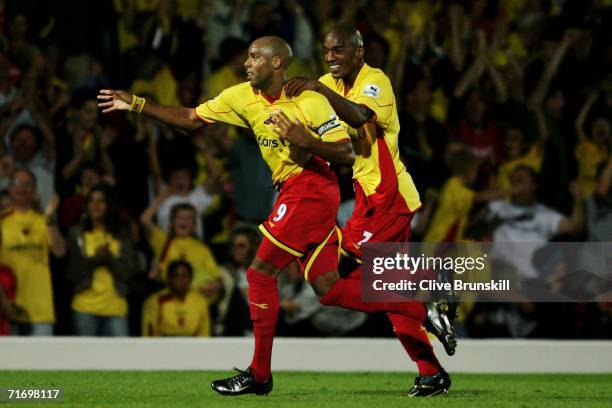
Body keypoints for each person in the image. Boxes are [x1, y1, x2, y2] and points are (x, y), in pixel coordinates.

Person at [99, 36, 438, 397]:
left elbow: (348, 152)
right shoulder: (240, 96)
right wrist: (135, 103)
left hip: (311, 187)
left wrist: (301, 139)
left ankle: (259, 375)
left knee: (258, 273)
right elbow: (189, 118)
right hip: (295, 191)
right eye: (247, 56)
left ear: (277, 63)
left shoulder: (310, 100)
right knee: (328, 289)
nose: (247, 63)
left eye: (255, 56)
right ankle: (421, 308)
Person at [285, 26, 454, 396]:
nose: (330, 57)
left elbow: (362, 116)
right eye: (327, 50)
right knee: (389, 297)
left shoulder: (375, 81)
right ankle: (431, 372)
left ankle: (430, 285)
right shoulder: (331, 85)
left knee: (336, 274)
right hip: (369, 197)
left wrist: (320, 90)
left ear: (358, 53)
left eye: (339, 50)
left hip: (386, 197)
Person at [0, 169, 65, 335]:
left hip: (40, 310)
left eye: (28, 184)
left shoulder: (44, 221)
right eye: (18, 183)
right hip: (8, 309)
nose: (23, 188)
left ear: (35, 190)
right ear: (9, 189)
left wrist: (50, 220)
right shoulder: (2, 221)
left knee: (43, 361)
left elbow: (59, 251)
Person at [66, 183, 137, 336]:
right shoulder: (76, 233)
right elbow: (73, 274)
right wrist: (95, 260)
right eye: (91, 201)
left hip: (116, 309)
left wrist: (109, 259)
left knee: (119, 359)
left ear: (109, 205)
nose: (95, 205)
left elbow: (128, 273)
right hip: (84, 308)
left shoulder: (122, 234)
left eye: (100, 201)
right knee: (86, 360)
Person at [142, 260, 211, 337]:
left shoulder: (200, 301)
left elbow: (204, 334)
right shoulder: (155, 301)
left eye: (184, 276)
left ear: (190, 279)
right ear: (169, 279)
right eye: (176, 275)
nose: (181, 279)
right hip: (163, 345)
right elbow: (149, 334)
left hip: (192, 346)